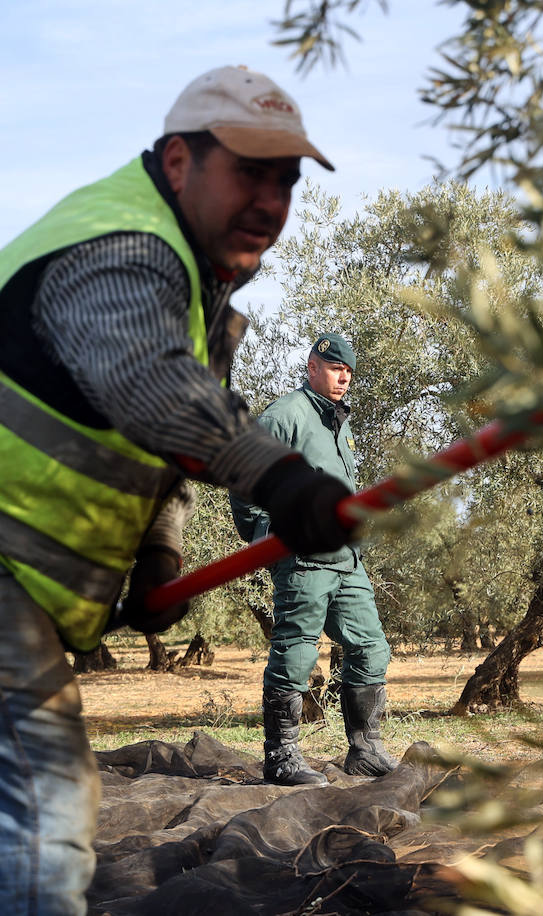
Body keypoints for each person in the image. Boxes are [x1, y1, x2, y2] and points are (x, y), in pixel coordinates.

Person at [0, 66, 353, 914]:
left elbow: (164, 450)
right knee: (39, 819)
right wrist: (282, 477)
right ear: (179, 161)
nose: (270, 199)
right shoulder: (125, 248)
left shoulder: (196, 285)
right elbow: (156, 390)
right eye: (249, 171)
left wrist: (158, 556)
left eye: (285, 179)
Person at [231, 333, 398, 786]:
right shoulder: (286, 416)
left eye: (349, 371)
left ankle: (365, 750)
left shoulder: (336, 422)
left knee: (370, 647)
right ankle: (281, 756)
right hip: (303, 558)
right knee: (297, 649)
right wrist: (266, 537)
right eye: (335, 367)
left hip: (345, 558)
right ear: (312, 367)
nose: (344, 377)